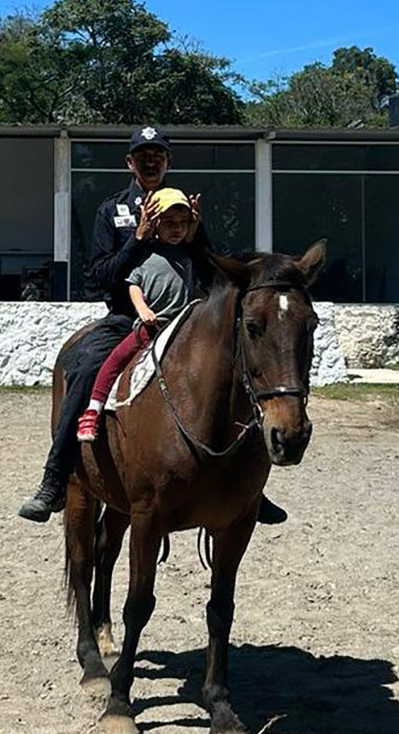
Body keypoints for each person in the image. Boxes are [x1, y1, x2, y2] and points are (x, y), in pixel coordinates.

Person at [17, 126, 287, 525]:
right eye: (142, 154)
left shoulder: (182, 208)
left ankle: (252, 488)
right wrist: (137, 239)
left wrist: (195, 237)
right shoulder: (111, 211)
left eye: (157, 153)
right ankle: (55, 478)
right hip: (129, 318)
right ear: (129, 162)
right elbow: (99, 276)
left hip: (187, 317)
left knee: (238, 372)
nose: (150, 160)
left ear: (167, 160)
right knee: (84, 366)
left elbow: (212, 274)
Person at [77, 187, 196, 442]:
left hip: (182, 326)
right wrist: (143, 310)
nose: (177, 229)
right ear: (154, 223)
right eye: (169, 223)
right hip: (152, 324)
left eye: (183, 224)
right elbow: (133, 284)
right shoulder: (144, 255)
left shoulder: (188, 256)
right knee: (115, 359)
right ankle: (94, 408)